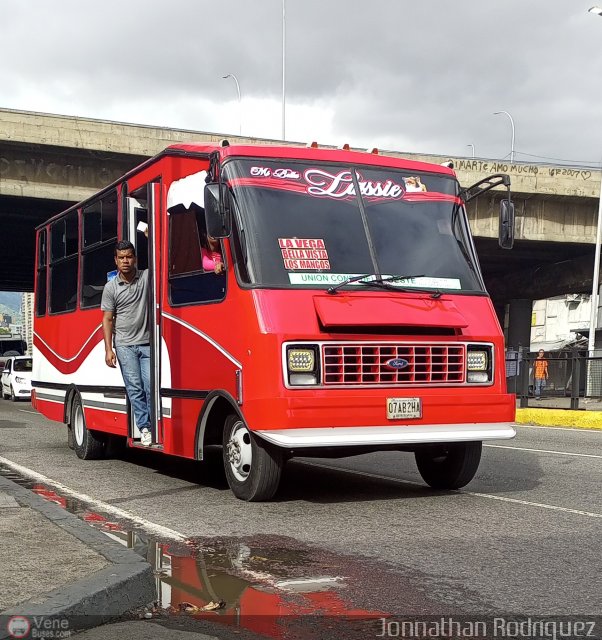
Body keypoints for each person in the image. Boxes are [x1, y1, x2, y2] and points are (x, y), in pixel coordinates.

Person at [101, 240, 152, 446]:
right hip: (124, 346)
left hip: (148, 343)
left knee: (150, 386)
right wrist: (108, 349)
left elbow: (163, 258)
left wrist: (149, 236)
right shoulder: (111, 288)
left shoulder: (146, 277)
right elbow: (107, 319)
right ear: (115, 260)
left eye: (129, 256)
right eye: (121, 257)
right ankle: (145, 428)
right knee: (135, 388)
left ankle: (154, 424)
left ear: (135, 259)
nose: (125, 261)